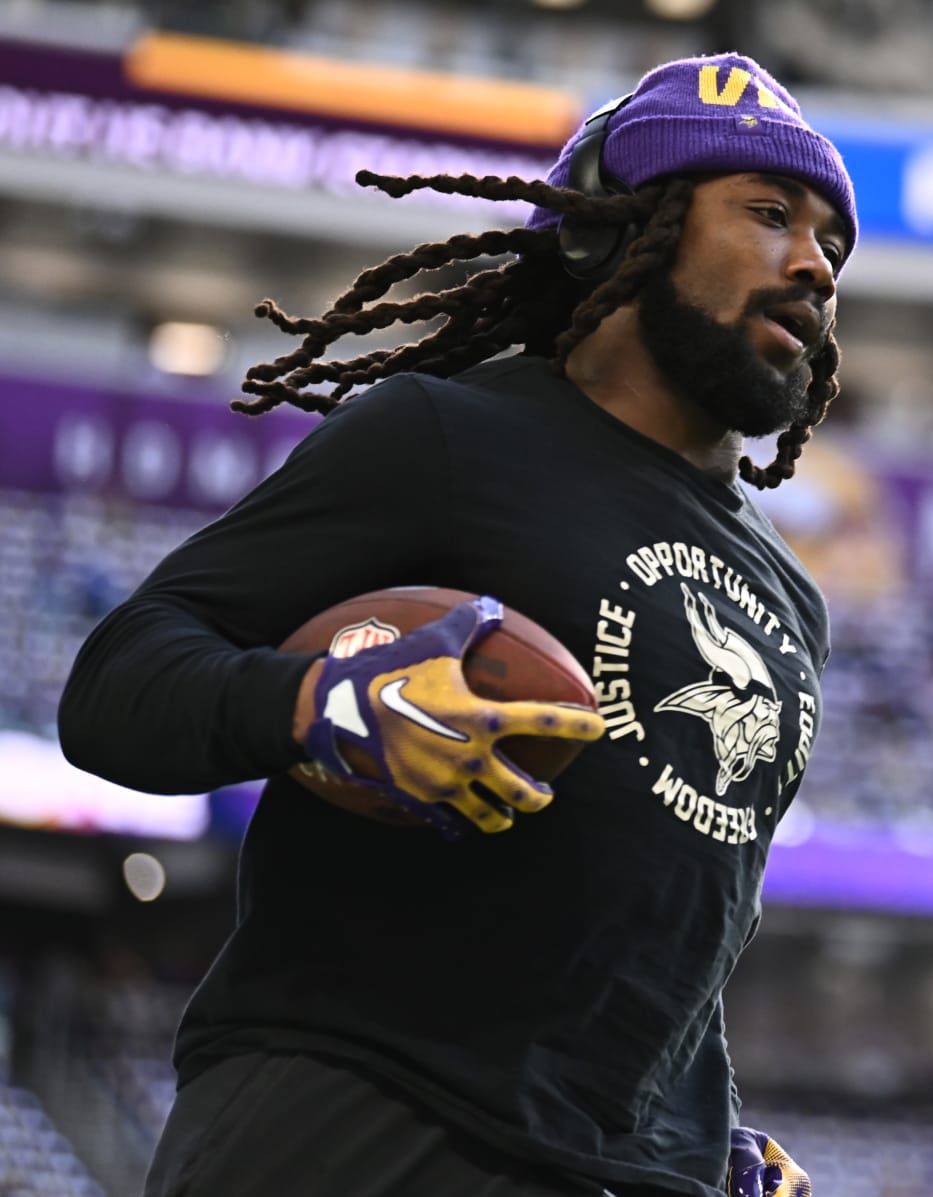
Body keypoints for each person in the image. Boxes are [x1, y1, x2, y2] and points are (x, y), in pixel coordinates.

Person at [57, 51, 848, 1197]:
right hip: (359, 1117)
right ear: (626, 228)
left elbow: (673, 920)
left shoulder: (790, 597)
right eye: (770, 213)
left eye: (832, 240)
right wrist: (330, 706)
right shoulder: (442, 436)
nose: (814, 262)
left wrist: (691, 1123)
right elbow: (118, 685)